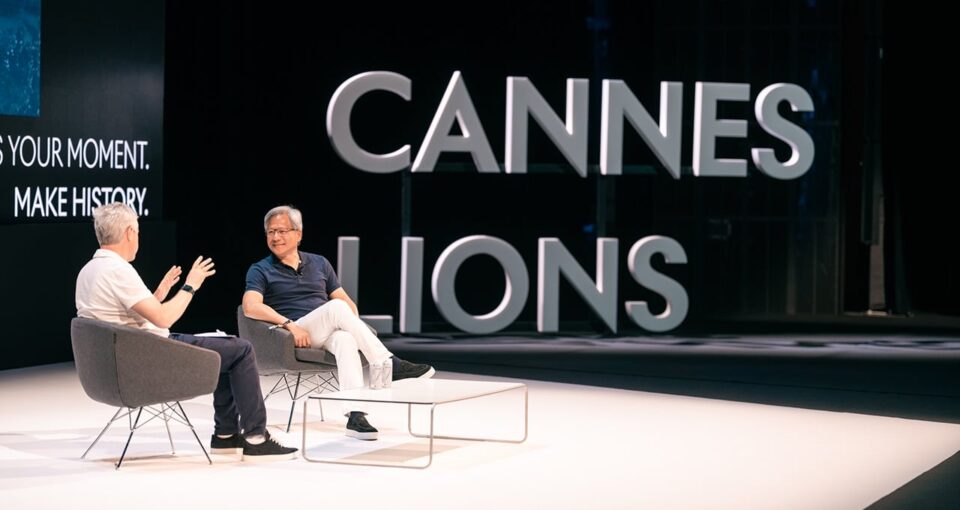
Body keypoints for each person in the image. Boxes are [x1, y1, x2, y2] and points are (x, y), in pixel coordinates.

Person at [75, 202, 297, 462]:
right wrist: (191, 285)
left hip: (126, 361)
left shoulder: (90, 269)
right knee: (242, 350)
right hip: (147, 360)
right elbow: (164, 317)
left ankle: (225, 437)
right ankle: (256, 438)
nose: (138, 237)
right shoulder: (117, 270)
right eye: (137, 231)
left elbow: (130, 314)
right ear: (129, 233)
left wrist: (159, 293)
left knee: (227, 346)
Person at [242, 205, 435, 441]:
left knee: (345, 337)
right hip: (293, 335)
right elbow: (250, 306)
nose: (275, 237)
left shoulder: (319, 263)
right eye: (271, 232)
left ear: (299, 234)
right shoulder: (260, 269)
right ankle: (388, 362)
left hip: (324, 331)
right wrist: (290, 325)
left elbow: (347, 302)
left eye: (282, 231)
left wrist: (349, 324)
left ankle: (356, 416)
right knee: (335, 308)